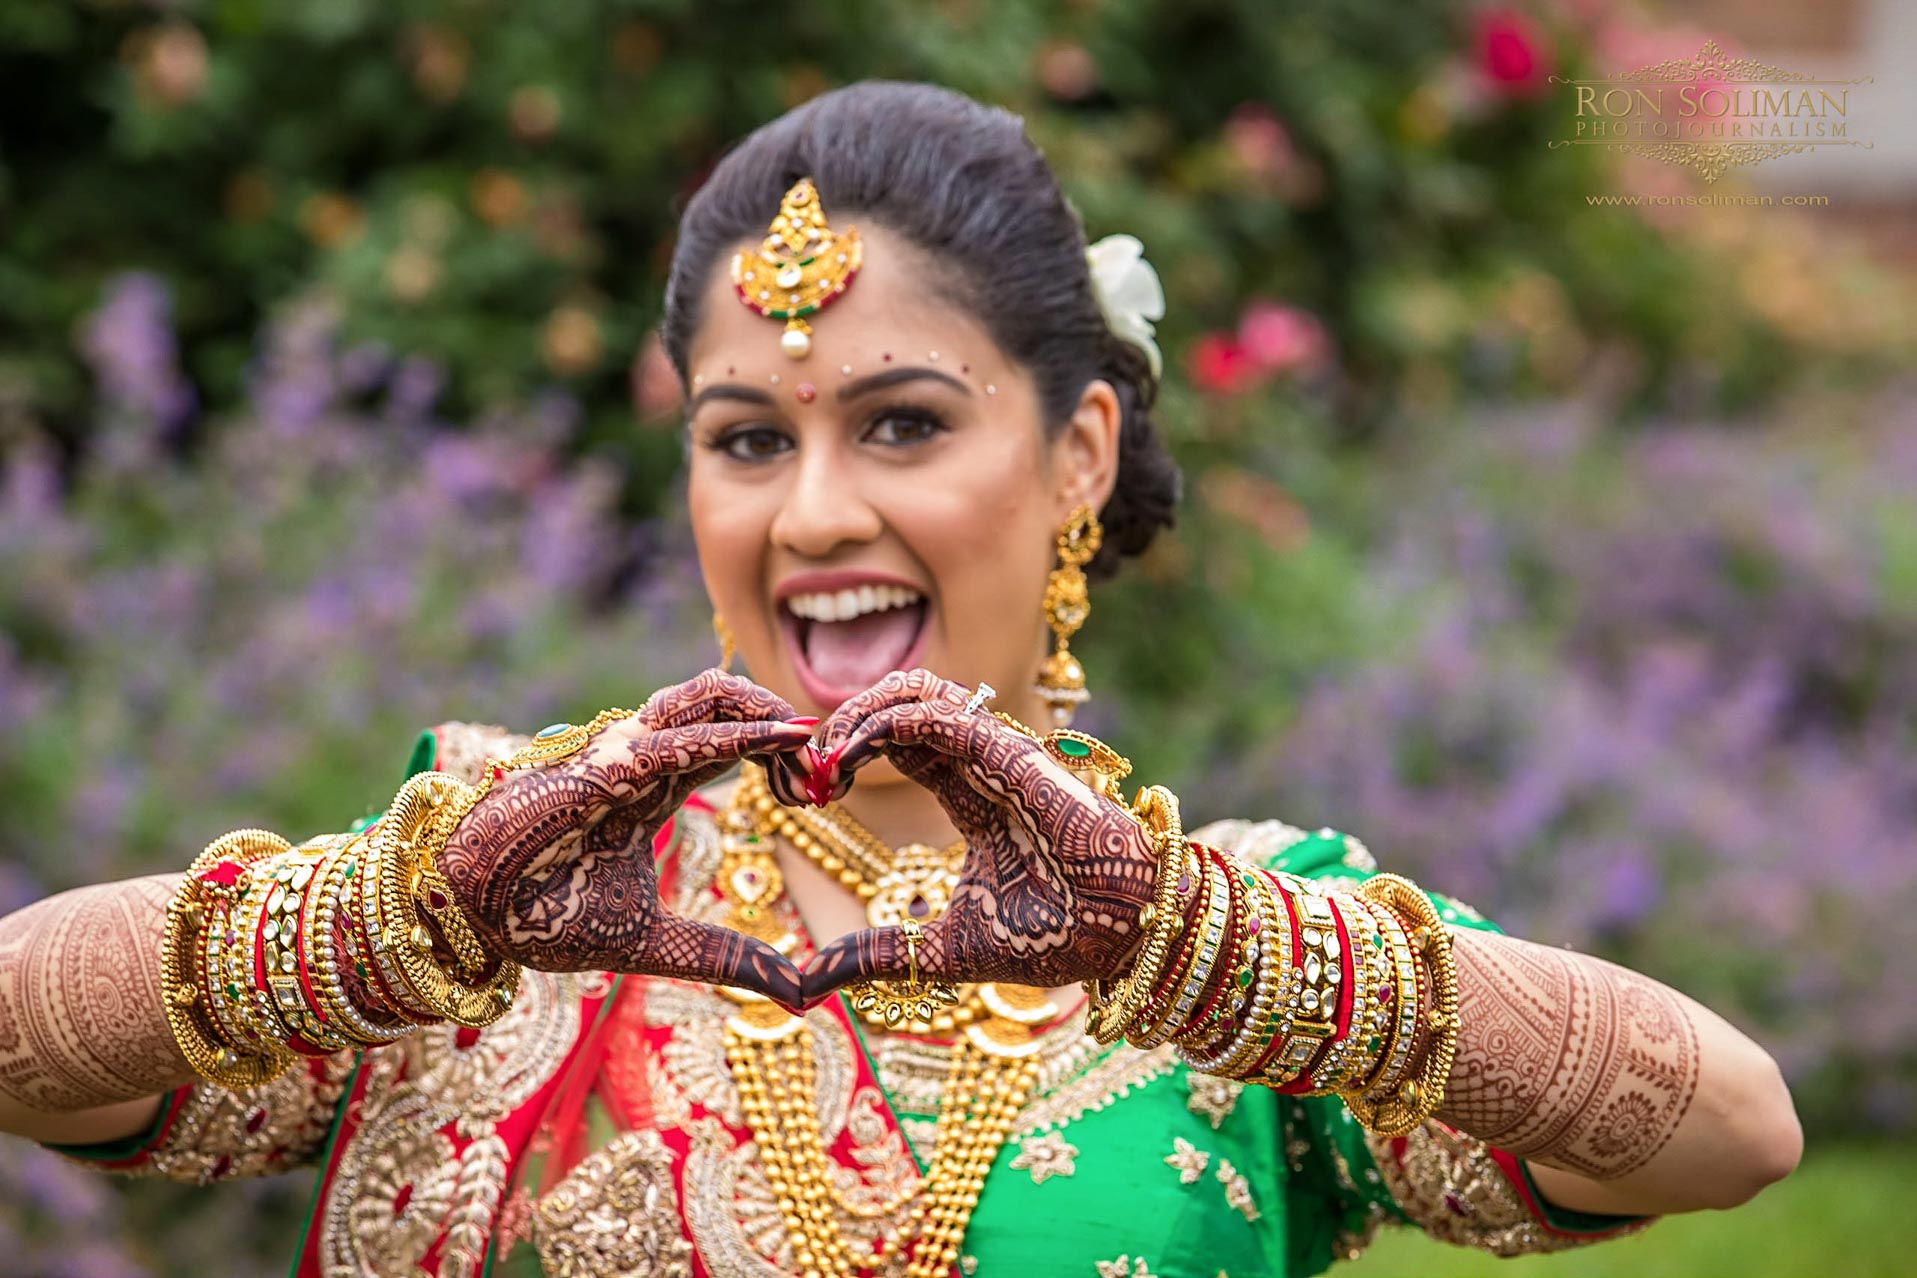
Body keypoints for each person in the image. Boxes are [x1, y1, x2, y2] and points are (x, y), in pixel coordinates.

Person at [0, 80, 1800, 1278]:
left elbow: (1730, 1133)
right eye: (745, 440)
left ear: (1079, 448)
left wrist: (1206, 946)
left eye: (902, 423)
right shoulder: (514, 885)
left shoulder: (1237, 951)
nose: (816, 514)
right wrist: (375, 919)